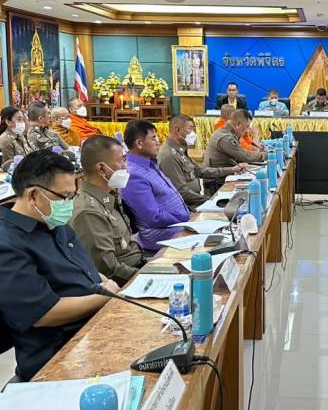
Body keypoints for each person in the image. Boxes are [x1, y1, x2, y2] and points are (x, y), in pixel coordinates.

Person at [0, 150, 119, 381]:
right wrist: (106, 296)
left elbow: (82, 269)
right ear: (33, 195)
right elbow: (45, 313)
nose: (69, 204)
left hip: (93, 327)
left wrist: (102, 282)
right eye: (64, 197)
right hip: (57, 354)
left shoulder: (53, 223)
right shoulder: (4, 249)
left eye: (72, 196)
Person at [71, 135, 144, 285]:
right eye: (121, 160)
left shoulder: (109, 196)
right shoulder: (88, 211)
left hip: (138, 264)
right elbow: (108, 269)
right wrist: (146, 276)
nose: (125, 166)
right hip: (125, 281)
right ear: (102, 168)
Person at [121, 120, 191, 251]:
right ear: (139, 143)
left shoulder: (150, 163)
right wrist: (185, 217)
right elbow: (154, 217)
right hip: (160, 233)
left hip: (176, 224)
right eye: (153, 138)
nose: (158, 141)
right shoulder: (133, 174)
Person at [159, 114, 244, 207]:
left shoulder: (180, 150)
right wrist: (210, 200)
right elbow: (181, 191)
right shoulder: (169, 156)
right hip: (187, 206)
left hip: (195, 201)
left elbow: (201, 170)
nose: (193, 134)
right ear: (177, 130)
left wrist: (232, 170)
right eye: (190, 129)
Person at [204, 109, 268, 193]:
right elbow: (246, 156)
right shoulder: (226, 138)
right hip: (216, 182)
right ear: (238, 125)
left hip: (222, 177)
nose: (247, 130)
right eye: (247, 127)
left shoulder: (228, 133)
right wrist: (268, 155)